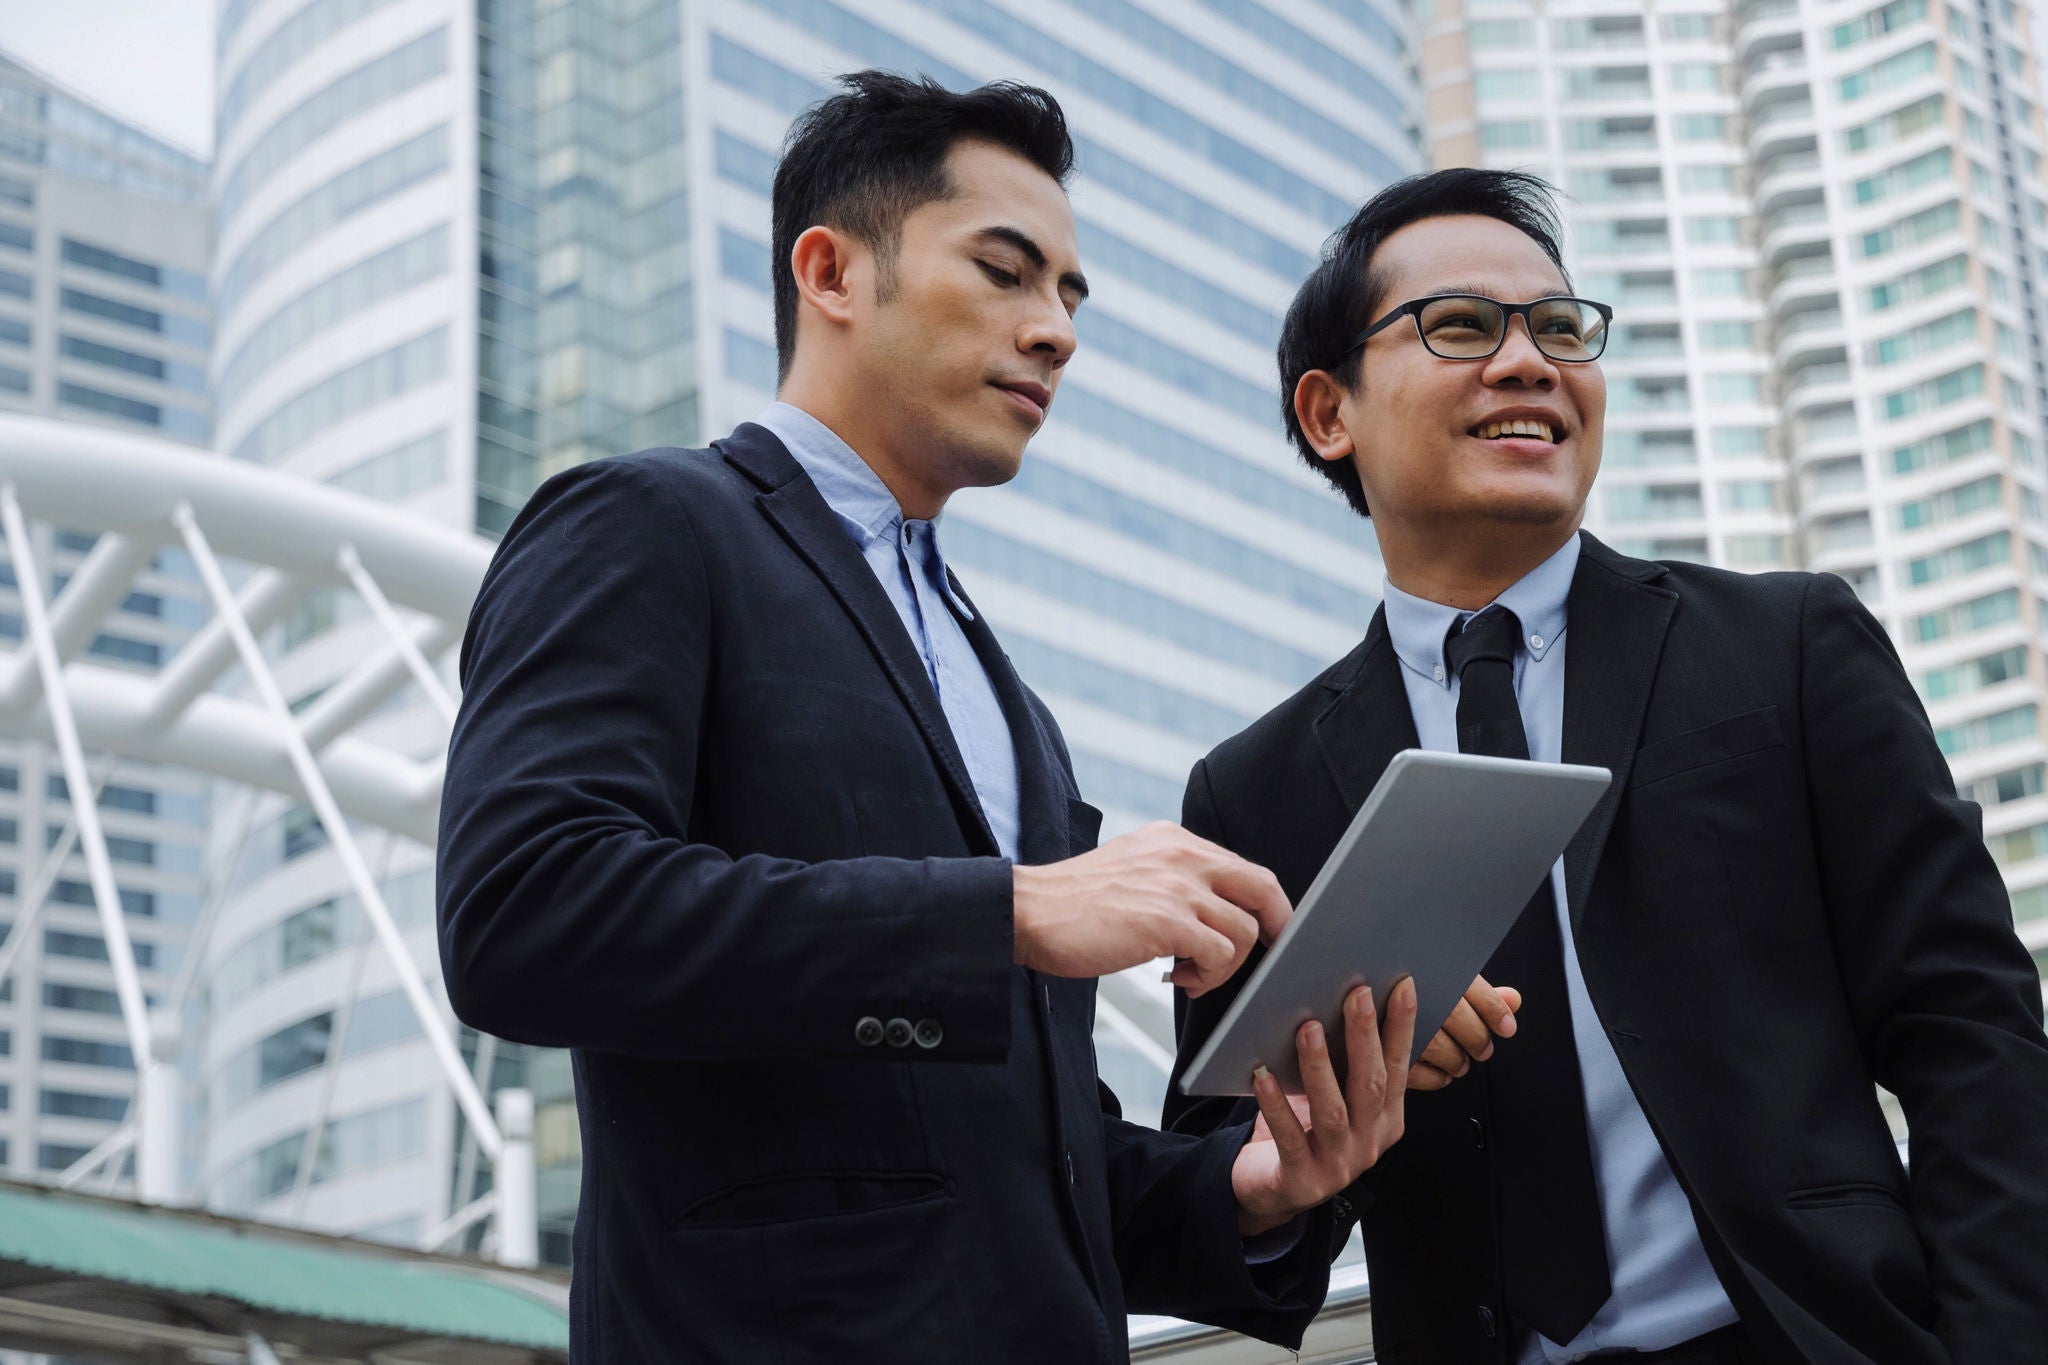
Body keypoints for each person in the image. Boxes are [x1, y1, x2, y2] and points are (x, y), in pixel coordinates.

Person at [436, 72, 1498, 1364]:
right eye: (1006, 272)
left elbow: (1032, 1162)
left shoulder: (1013, 708)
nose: (1054, 328)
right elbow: (521, 910)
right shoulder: (648, 525)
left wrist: (1256, 1188)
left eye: (1068, 295)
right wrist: (1008, 909)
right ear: (830, 272)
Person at [1165, 167, 2048, 1365]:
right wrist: (1336, 1102)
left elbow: (1970, 1031)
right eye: (1461, 326)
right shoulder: (1248, 791)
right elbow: (1228, 1191)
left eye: (1561, 327)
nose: (1530, 362)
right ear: (1330, 414)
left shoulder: (1783, 648)